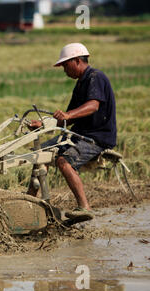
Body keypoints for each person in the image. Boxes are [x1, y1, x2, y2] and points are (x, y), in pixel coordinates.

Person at [29, 43, 117, 222]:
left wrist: (68, 114)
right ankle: (30, 199)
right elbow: (66, 120)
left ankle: (84, 207)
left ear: (77, 61)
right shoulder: (80, 84)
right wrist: (42, 123)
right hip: (78, 133)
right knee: (40, 154)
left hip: (96, 137)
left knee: (64, 161)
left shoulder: (95, 77)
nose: (64, 70)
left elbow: (93, 105)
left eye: (65, 65)